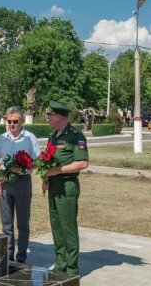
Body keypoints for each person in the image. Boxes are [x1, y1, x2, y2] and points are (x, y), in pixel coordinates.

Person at [43, 101, 88, 276]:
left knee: (67, 227)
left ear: (58, 117)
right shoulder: (52, 136)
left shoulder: (75, 136)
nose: (47, 118)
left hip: (67, 186)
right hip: (54, 186)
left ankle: (71, 268)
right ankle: (60, 263)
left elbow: (83, 163)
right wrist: (46, 177)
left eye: (49, 115)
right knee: (57, 226)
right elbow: (47, 161)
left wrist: (57, 170)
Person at [0, 106, 40, 263]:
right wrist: (0, 174)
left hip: (23, 183)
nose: (12, 124)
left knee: (23, 224)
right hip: (5, 184)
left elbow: (38, 161)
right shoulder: (2, 138)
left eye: (15, 121)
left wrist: (24, 168)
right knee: (6, 224)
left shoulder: (30, 138)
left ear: (22, 121)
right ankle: (8, 257)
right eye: (9, 121)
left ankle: (21, 258)